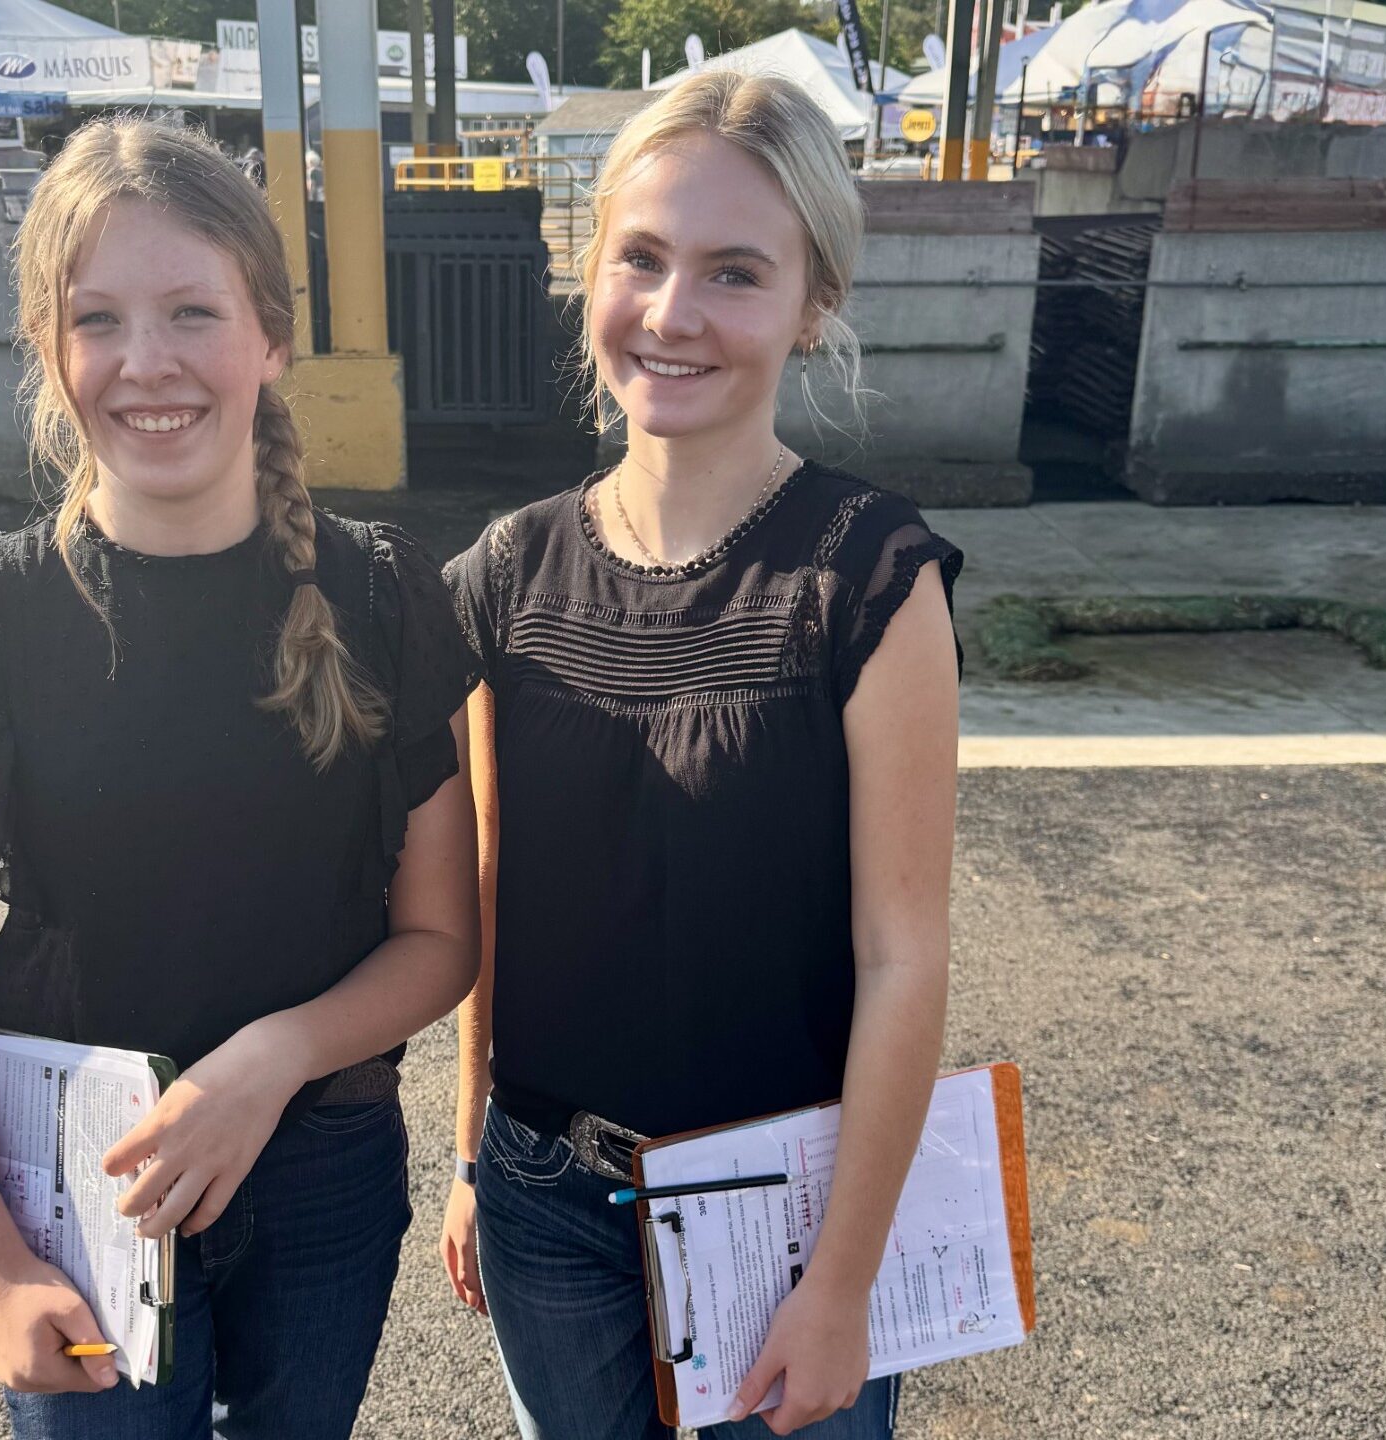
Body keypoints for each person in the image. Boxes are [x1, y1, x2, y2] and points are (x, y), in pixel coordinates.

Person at [0, 118, 481, 1439]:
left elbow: (441, 939)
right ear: (49, 345)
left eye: (191, 311)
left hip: (322, 1178)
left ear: (270, 337)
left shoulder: (378, 595)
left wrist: (272, 1058)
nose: (146, 364)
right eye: (98, 319)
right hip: (81, 1186)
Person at [440, 71, 964, 1440]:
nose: (673, 315)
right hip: (546, 1197)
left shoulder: (870, 577)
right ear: (590, 269)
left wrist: (843, 1281)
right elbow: (494, 899)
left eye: (734, 272)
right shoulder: (508, 572)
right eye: (644, 259)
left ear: (813, 305)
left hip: (786, 1207)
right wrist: (467, 1160)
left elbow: (904, 956)